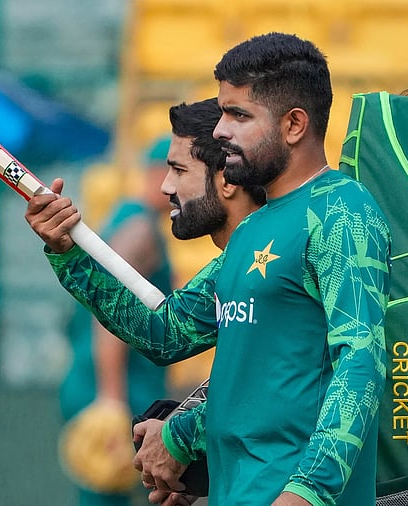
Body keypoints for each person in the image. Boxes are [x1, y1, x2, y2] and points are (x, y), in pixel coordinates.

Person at [26, 32, 391, 505]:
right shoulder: (256, 229)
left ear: (295, 125)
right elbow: (166, 333)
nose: (220, 130)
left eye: (238, 115)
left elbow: (361, 361)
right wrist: (67, 254)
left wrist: (307, 492)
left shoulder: (342, 211)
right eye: (222, 113)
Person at [139, 97, 266, 506]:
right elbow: (165, 335)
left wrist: (178, 437)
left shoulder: (274, 254)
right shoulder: (238, 258)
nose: (166, 187)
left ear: (227, 178)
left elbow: (277, 389)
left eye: (178, 170)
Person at [57, 138, 174, 505]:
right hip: (113, 387)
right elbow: (109, 315)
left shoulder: (126, 220)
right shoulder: (139, 230)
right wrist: (111, 398)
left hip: (102, 381)